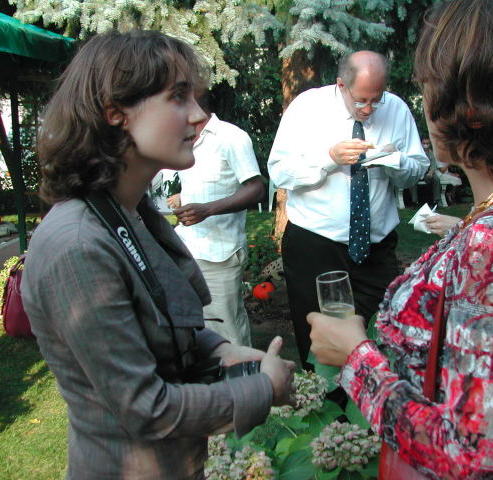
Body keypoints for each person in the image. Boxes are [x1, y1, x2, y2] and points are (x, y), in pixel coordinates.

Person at [307, 0, 493, 478]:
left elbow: (466, 456)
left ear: (463, 105)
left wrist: (355, 357)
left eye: (428, 89)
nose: (424, 106)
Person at [21, 31, 294, 480]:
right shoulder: (79, 244)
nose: (198, 114)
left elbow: (160, 324)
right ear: (115, 112)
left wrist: (222, 349)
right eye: (178, 97)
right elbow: (146, 408)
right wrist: (263, 390)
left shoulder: (127, 212)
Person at [267, 51, 429, 369]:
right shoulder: (306, 107)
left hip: (376, 248)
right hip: (315, 245)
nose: (368, 109)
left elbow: (417, 169)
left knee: (381, 335)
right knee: (320, 345)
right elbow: (279, 172)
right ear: (341, 85)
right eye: (360, 101)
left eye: (376, 101)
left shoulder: (397, 108)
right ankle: (325, 399)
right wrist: (329, 159)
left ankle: (375, 396)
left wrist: (394, 161)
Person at [166, 93, 265, 346]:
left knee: (227, 330)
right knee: (194, 329)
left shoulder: (231, 137)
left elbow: (256, 189)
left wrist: (207, 210)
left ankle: (245, 372)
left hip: (220, 254)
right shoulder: (182, 137)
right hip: (185, 250)